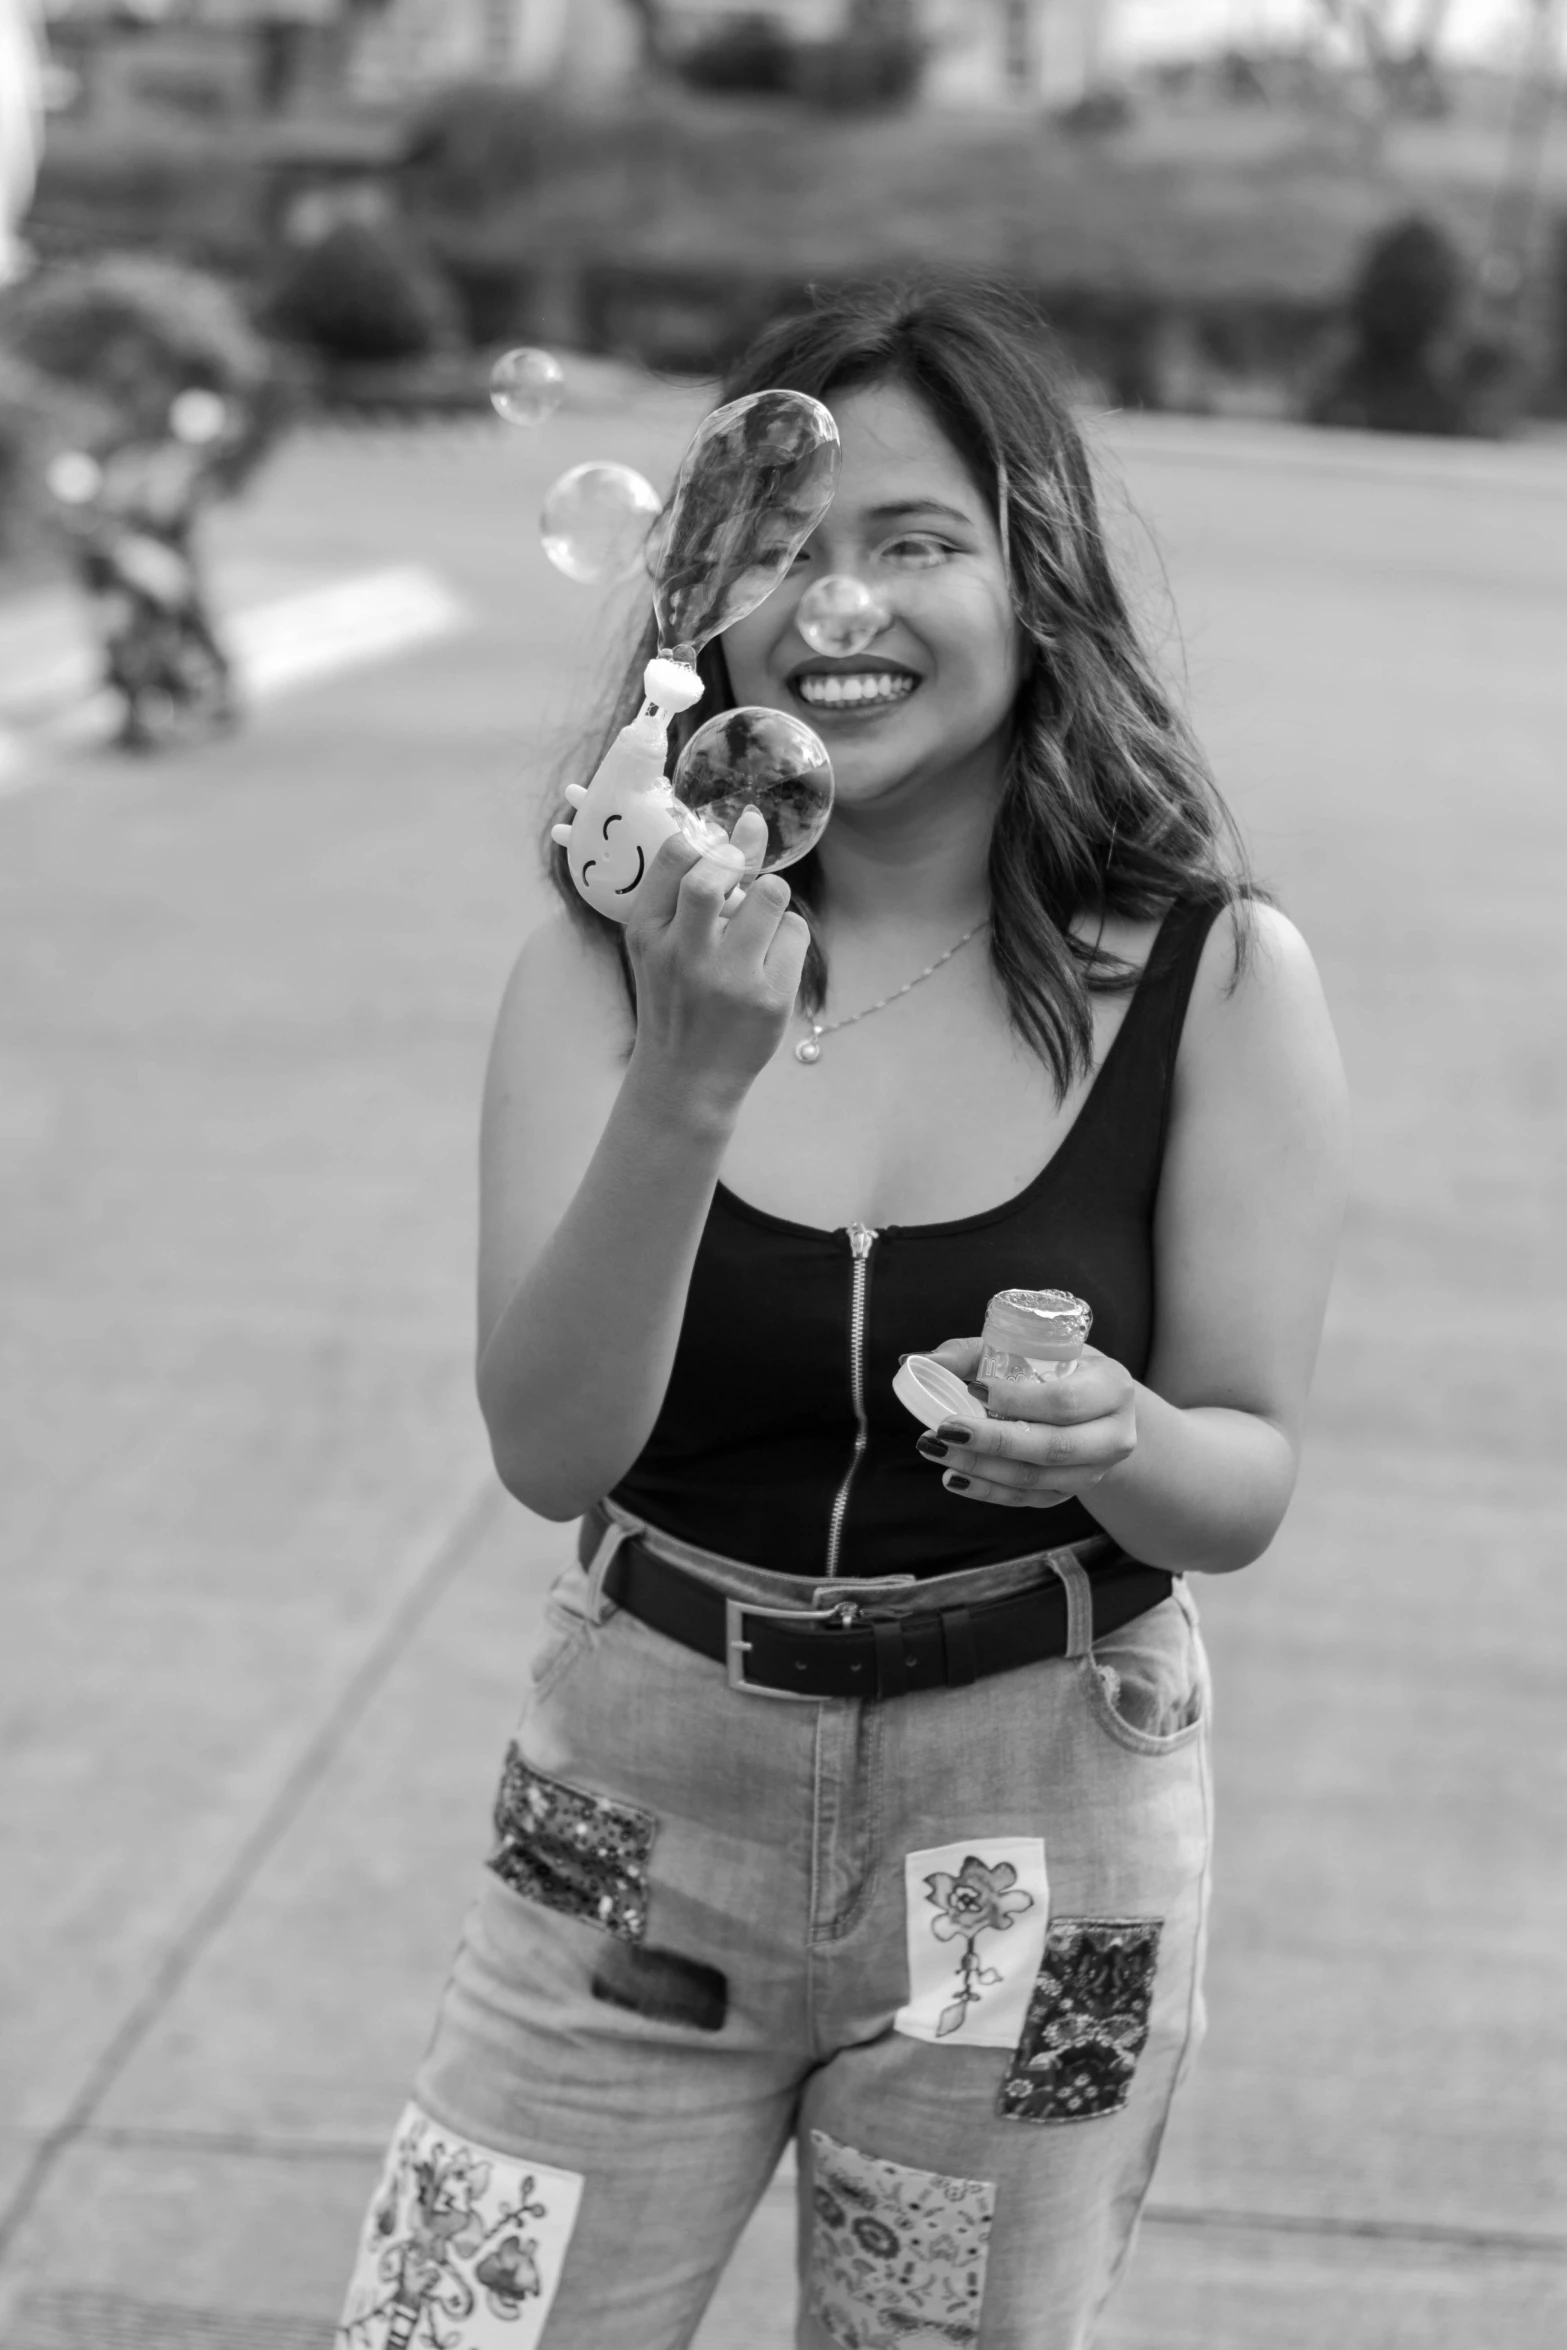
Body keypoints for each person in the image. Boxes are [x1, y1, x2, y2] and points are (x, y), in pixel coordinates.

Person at [335, 280, 1349, 2350]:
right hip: (635, 1815)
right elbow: (552, 1448)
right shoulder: (602, 974)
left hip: (1043, 1826)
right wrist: (688, 1074)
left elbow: (1238, 1474)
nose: (841, 602)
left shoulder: (1216, 976)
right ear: (705, 595)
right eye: (787, 544)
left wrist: (1119, 1443)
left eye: (916, 539)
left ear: (1035, 575)